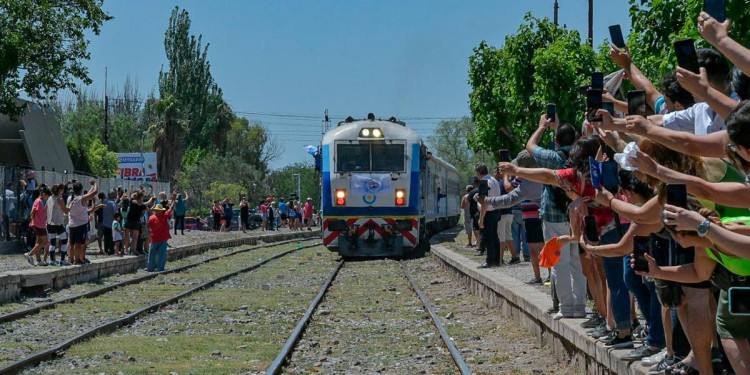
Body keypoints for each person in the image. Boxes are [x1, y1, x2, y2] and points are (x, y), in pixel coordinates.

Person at [483, 151, 544, 283]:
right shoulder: (544, 173)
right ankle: (551, 275)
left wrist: (505, 176)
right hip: (544, 215)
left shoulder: (525, 179)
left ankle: (537, 276)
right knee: (545, 246)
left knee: (533, 247)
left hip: (530, 215)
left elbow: (509, 190)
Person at [475, 162, 502, 268]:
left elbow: (484, 202)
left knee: (488, 238)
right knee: (495, 237)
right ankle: (496, 260)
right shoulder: (494, 180)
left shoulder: (483, 182)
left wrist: (481, 218)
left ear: (478, 172)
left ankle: (489, 260)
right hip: (496, 210)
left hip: (488, 213)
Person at [67, 179, 98, 265]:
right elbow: (94, 192)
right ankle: (77, 260)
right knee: (78, 243)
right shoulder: (81, 199)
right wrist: (95, 183)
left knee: (71, 243)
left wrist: (92, 187)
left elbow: (88, 194)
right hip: (80, 225)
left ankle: (71, 259)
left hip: (71, 224)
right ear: (80, 190)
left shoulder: (70, 198)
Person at [25, 186, 51, 266]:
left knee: (39, 242)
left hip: (40, 225)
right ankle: (29, 254)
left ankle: (39, 260)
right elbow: (32, 212)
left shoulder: (39, 201)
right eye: (47, 196)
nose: (47, 198)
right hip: (39, 225)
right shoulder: (38, 201)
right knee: (44, 241)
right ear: (43, 194)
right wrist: (34, 220)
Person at [147, 202, 171, 272]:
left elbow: (148, 226)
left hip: (154, 238)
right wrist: (173, 200)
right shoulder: (164, 216)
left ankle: (150, 268)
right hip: (163, 238)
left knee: (151, 254)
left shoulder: (151, 218)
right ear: (161, 210)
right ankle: (160, 268)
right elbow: (170, 209)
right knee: (162, 254)